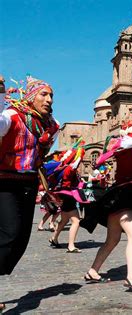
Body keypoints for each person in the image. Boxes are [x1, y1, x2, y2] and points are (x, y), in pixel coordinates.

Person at [81, 117, 132, 292]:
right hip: (125, 197)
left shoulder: (121, 149)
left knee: (112, 240)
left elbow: (103, 159)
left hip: (116, 196)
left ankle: (93, 271)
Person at [0, 75, 59, 311]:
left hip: (29, 182)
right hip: (4, 181)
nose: (49, 99)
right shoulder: (11, 116)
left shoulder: (50, 124)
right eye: (44, 94)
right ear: (31, 97)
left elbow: (44, 149)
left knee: (21, 240)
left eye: (51, 95)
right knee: (10, 233)